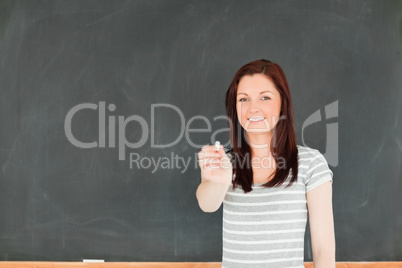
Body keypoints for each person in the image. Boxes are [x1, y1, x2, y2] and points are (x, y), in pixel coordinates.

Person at [196, 59, 335, 268]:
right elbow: (207, 205)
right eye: (243, 99)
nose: (253, 108)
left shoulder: (310, 163)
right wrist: (222, 178)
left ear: (282, 103)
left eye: (265, 97)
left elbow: (323, 249)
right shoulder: (222, 161)